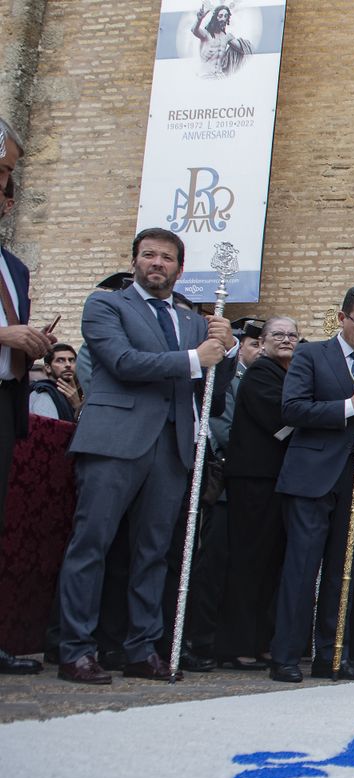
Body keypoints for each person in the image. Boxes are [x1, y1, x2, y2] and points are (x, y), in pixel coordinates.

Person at [55, 227, 237, 684]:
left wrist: (228, 349)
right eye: (149, 255)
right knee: (91, 545)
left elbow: (211, 397)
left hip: (172, 446)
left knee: (154, 552)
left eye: (168, 257)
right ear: (135, 261)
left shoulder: (194, 321)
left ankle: (141, 647)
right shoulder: (107, 305)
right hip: (116, 440)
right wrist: (197, 357)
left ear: (180, 267)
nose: (158, 263)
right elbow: (122, 362)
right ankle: (76, 647)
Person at [268, 285, 354, 684]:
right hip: (312, 477)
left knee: (343, 571)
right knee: (301, 566)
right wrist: (352, 406)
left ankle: (332, 654)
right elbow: (293, 407)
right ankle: (285, 654)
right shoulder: (312, 354)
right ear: (343, 318)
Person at [214, 316, 297, 669]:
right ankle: (238, 644)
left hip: (276, 480)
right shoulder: (262, 374)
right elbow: (284, 419)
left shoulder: (287, 376)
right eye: (277, 334)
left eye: (292, 335)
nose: (286, 339)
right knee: (249, 561)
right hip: (253, 479)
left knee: (270, 563)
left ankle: (261, 640)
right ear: (262, 342)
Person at [0, 118, 51, 675]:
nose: (6, 191)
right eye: (2, 174)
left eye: (9, 177)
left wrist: (31, 343)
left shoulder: (13, 267)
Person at [28, 343, 80, 422]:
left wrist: (77, 405)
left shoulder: (80, 393)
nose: (68, 365)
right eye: (60, 360)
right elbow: (49, 430)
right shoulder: (43, 392)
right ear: (48, 368)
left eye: (71, 360)